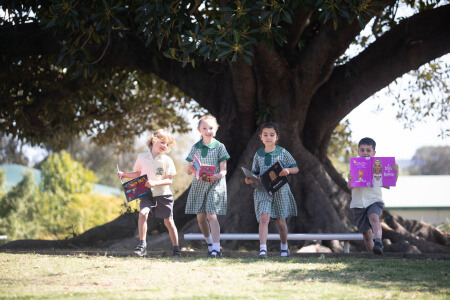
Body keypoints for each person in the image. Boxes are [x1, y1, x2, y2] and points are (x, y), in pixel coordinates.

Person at [118, 129, 181, 257]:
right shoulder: (142, 157)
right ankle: (142, 245)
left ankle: (176, 248)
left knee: (168, 222)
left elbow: (169, 180)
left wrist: (154, 183)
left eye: (167, 144)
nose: (165, 146)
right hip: (146, 194)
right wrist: (124, 175)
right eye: (163, 142)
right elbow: (137, 174)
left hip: (163, 194)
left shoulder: (167, 160)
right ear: (154, 141)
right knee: (142, 213)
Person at [244, 122, 298, 258]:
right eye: (265, 135)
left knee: (281, 221)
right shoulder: (258, 154)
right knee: (264, 217)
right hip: (263, 190)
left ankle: (284, 247)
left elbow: (295, 168)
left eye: (272, 135)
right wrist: (249, 179)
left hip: (280, 190)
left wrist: (287, 170)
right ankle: (263, 249)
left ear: (277, 137)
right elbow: (254, 173)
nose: (268, 137)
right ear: (261, 137)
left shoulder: (283, 152)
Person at [185, 115, 230, 258]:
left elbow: (224, 170)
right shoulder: (195, 147)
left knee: (211, 214)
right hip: (199, 184)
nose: (208, 130)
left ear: (216, 129)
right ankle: (209, 243)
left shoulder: (220, 147)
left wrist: (219, 175)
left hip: (215, 184)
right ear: (199, 130)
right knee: (200, 217)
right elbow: (188, 171)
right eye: (204, 128)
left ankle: (216, 249)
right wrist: (190, 168)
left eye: (211, 128)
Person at [347, 137, 399, 255]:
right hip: (358, 204)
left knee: (374, 218)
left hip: (374, 201)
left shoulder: (378, 167)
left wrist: (396, 172)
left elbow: (388, 184)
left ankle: (379, 242)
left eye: (368, 150)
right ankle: (374, 254)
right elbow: (350, 186)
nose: (365, 152)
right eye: (362, 150)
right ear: (358, 152)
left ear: (374, 153)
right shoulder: (355, 166)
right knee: (366, 234)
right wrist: (350, 180)